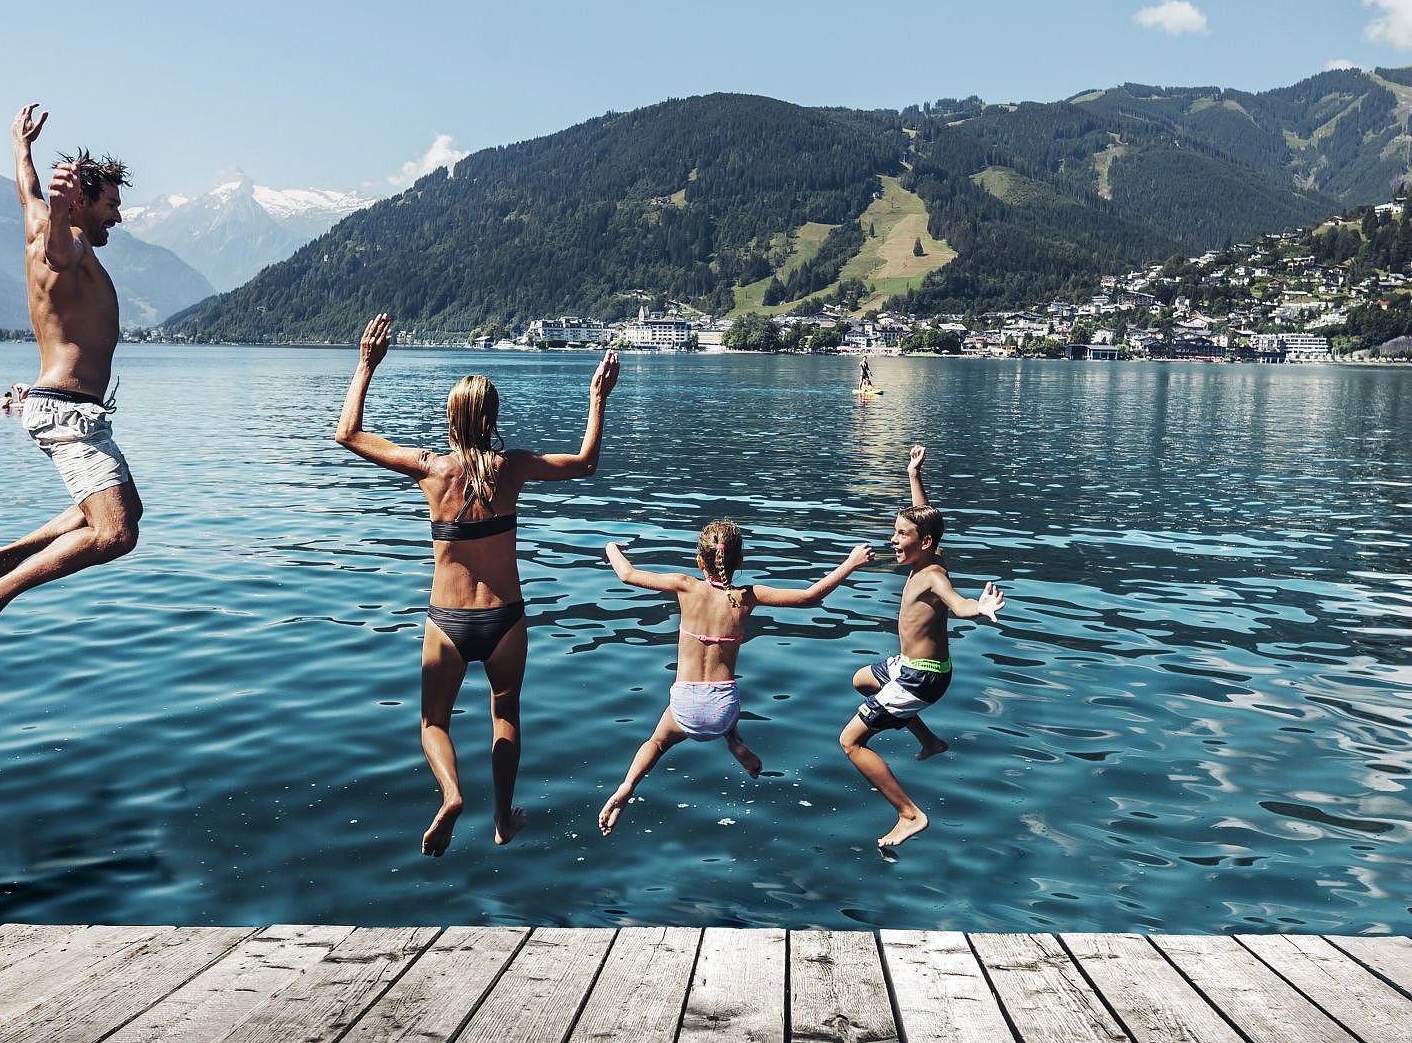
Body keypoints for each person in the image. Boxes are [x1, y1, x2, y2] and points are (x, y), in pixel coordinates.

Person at [335, 312, 619, 855]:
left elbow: (346, 433)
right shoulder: (511, 467)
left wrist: (366, 366)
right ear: (492, 418)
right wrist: (597, 396)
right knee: (505, 713)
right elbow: (585, 464)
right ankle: (503, 818)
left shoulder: (431, 470)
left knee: (432, 721)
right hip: (505, 618)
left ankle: (450, 794)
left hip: (447, 622)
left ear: (451, 416)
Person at [0, 105, 140, 668]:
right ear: (83, 203)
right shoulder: (66, 243)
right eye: (112, 205)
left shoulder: (39, 221)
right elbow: (58, 252)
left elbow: (26, 193)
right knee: (115, 534)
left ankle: (0, 561)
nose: (119, 217)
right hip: (67, 413)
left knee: (126, 506)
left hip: (74, 410)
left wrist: (21, 146)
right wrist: (63, 217)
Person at [595, 524, 874, 836]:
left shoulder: (685, 585)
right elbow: (809, 597)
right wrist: (850, 562)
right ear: (740, 561)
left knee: (658, 743)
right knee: (723, 693)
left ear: (700, 562)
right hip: (723, 708)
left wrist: (611, 549)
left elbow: (628, 575)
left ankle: (626, 788)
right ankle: (733, 741)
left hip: (685, 704)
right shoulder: (747, 596)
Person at [840, 442, 1002, 851]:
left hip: (921, 679)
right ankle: (930, 741)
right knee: (862, 680)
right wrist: (914, 475)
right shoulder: (929, 556)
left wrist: (977, 608)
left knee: (850, 742)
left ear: (924, 542)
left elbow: (957, 602)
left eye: (901, 535)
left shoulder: (933, 577)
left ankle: (909, 814)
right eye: (894, 531)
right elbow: (923, 519)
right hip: (910, 666)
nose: (893, 540)